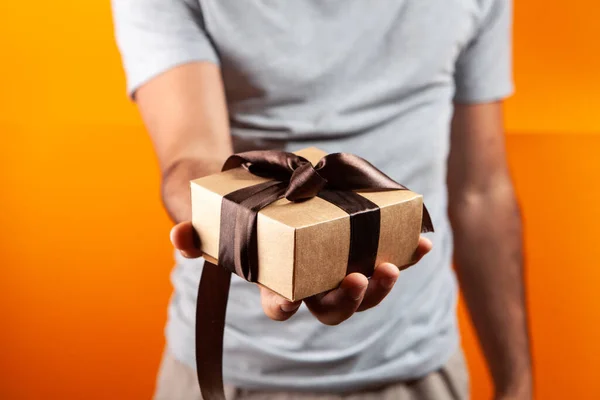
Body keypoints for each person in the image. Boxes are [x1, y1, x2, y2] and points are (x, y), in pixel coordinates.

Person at [112, 1, 532, 399]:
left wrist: (517, 384)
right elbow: (191, 155)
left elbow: (482, 191)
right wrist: (260, 243)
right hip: (228, 362)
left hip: (417, 365)